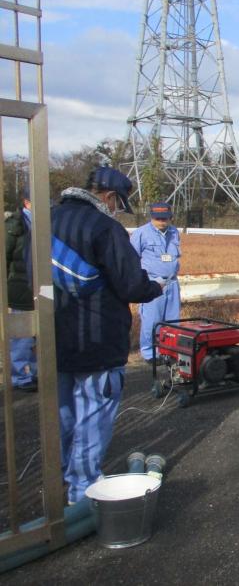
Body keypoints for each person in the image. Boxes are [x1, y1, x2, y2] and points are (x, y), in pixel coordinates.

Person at [52, 166, 164, 503]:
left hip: (54, 337)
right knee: (92, 413)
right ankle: (82, 490)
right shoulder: (105, 227)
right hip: (98, 339)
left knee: (64, 412)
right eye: (118, 203)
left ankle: (59, 478)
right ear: (110, 197)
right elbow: (131, 283)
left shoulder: (48, 220)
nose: (117, 209)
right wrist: (154, 287)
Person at [130, 202, 181, 362]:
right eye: (158, 218)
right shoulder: (141, 234)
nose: (161, 221)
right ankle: (150, 353)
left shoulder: (174, 232)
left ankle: (169, 350)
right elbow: (132, 259)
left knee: (172, 320)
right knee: (151, 320)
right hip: (152, 282)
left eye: (164, 218)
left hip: (172, 282)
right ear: (151, 216)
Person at [5, 192, 38, 391]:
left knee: (40, 335)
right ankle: (19, 377)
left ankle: (35, 372)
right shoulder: (14, 225)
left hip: (40, 288)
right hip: (20, 288)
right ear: (27, 202)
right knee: (21, 336)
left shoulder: (46, 224)